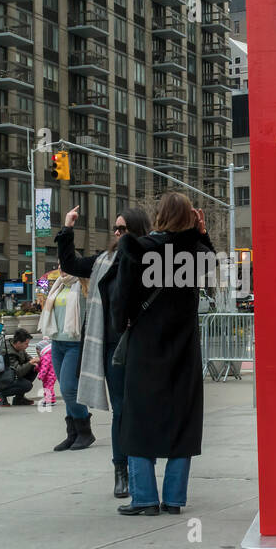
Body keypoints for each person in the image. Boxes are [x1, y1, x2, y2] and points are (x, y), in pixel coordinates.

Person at [110, 192, 213, 515]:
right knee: (183, 419)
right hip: (184, 347)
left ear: (159, 216)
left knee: (139, 420)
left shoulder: (137, 249)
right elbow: (214, 270)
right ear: (190, 219)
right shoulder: (196, 252)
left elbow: (121, 299)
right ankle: (173, 499)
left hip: (146, 346)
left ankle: (144, 498)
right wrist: (202, 234)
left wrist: (121, 326)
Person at [55, 204, 151, 494]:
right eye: (116, 228)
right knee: (121, 408)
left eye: (124, 229)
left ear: (136, 231)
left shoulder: (150, 260)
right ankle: (121, 470)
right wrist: (68, 228)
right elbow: (71, 264)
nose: (118, 233)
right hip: (112, 347)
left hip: (143, 345)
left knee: (142, 410)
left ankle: (142, 470)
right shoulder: (105, 261)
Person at [38, 265, 94, 451]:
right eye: (60, 266)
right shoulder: (59, 285)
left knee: (69, 389)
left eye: (66, 265)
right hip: (57, 342)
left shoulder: (84, 285)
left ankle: (85, 432)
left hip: (75, 343)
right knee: (66, 389)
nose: (61, 269)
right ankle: (73, 434)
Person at [0, 328, 36, 405]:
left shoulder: (18, 347)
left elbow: (27, 357)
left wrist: (34, 361)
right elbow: (18, 372)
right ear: (18, 342)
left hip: (11, 376)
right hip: (1, 380)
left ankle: (19, 399)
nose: (27, 346)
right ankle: (1, 395)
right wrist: (31, 362)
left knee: (34, 368)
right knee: (27, 385)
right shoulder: (8, 352)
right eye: (26, 344)